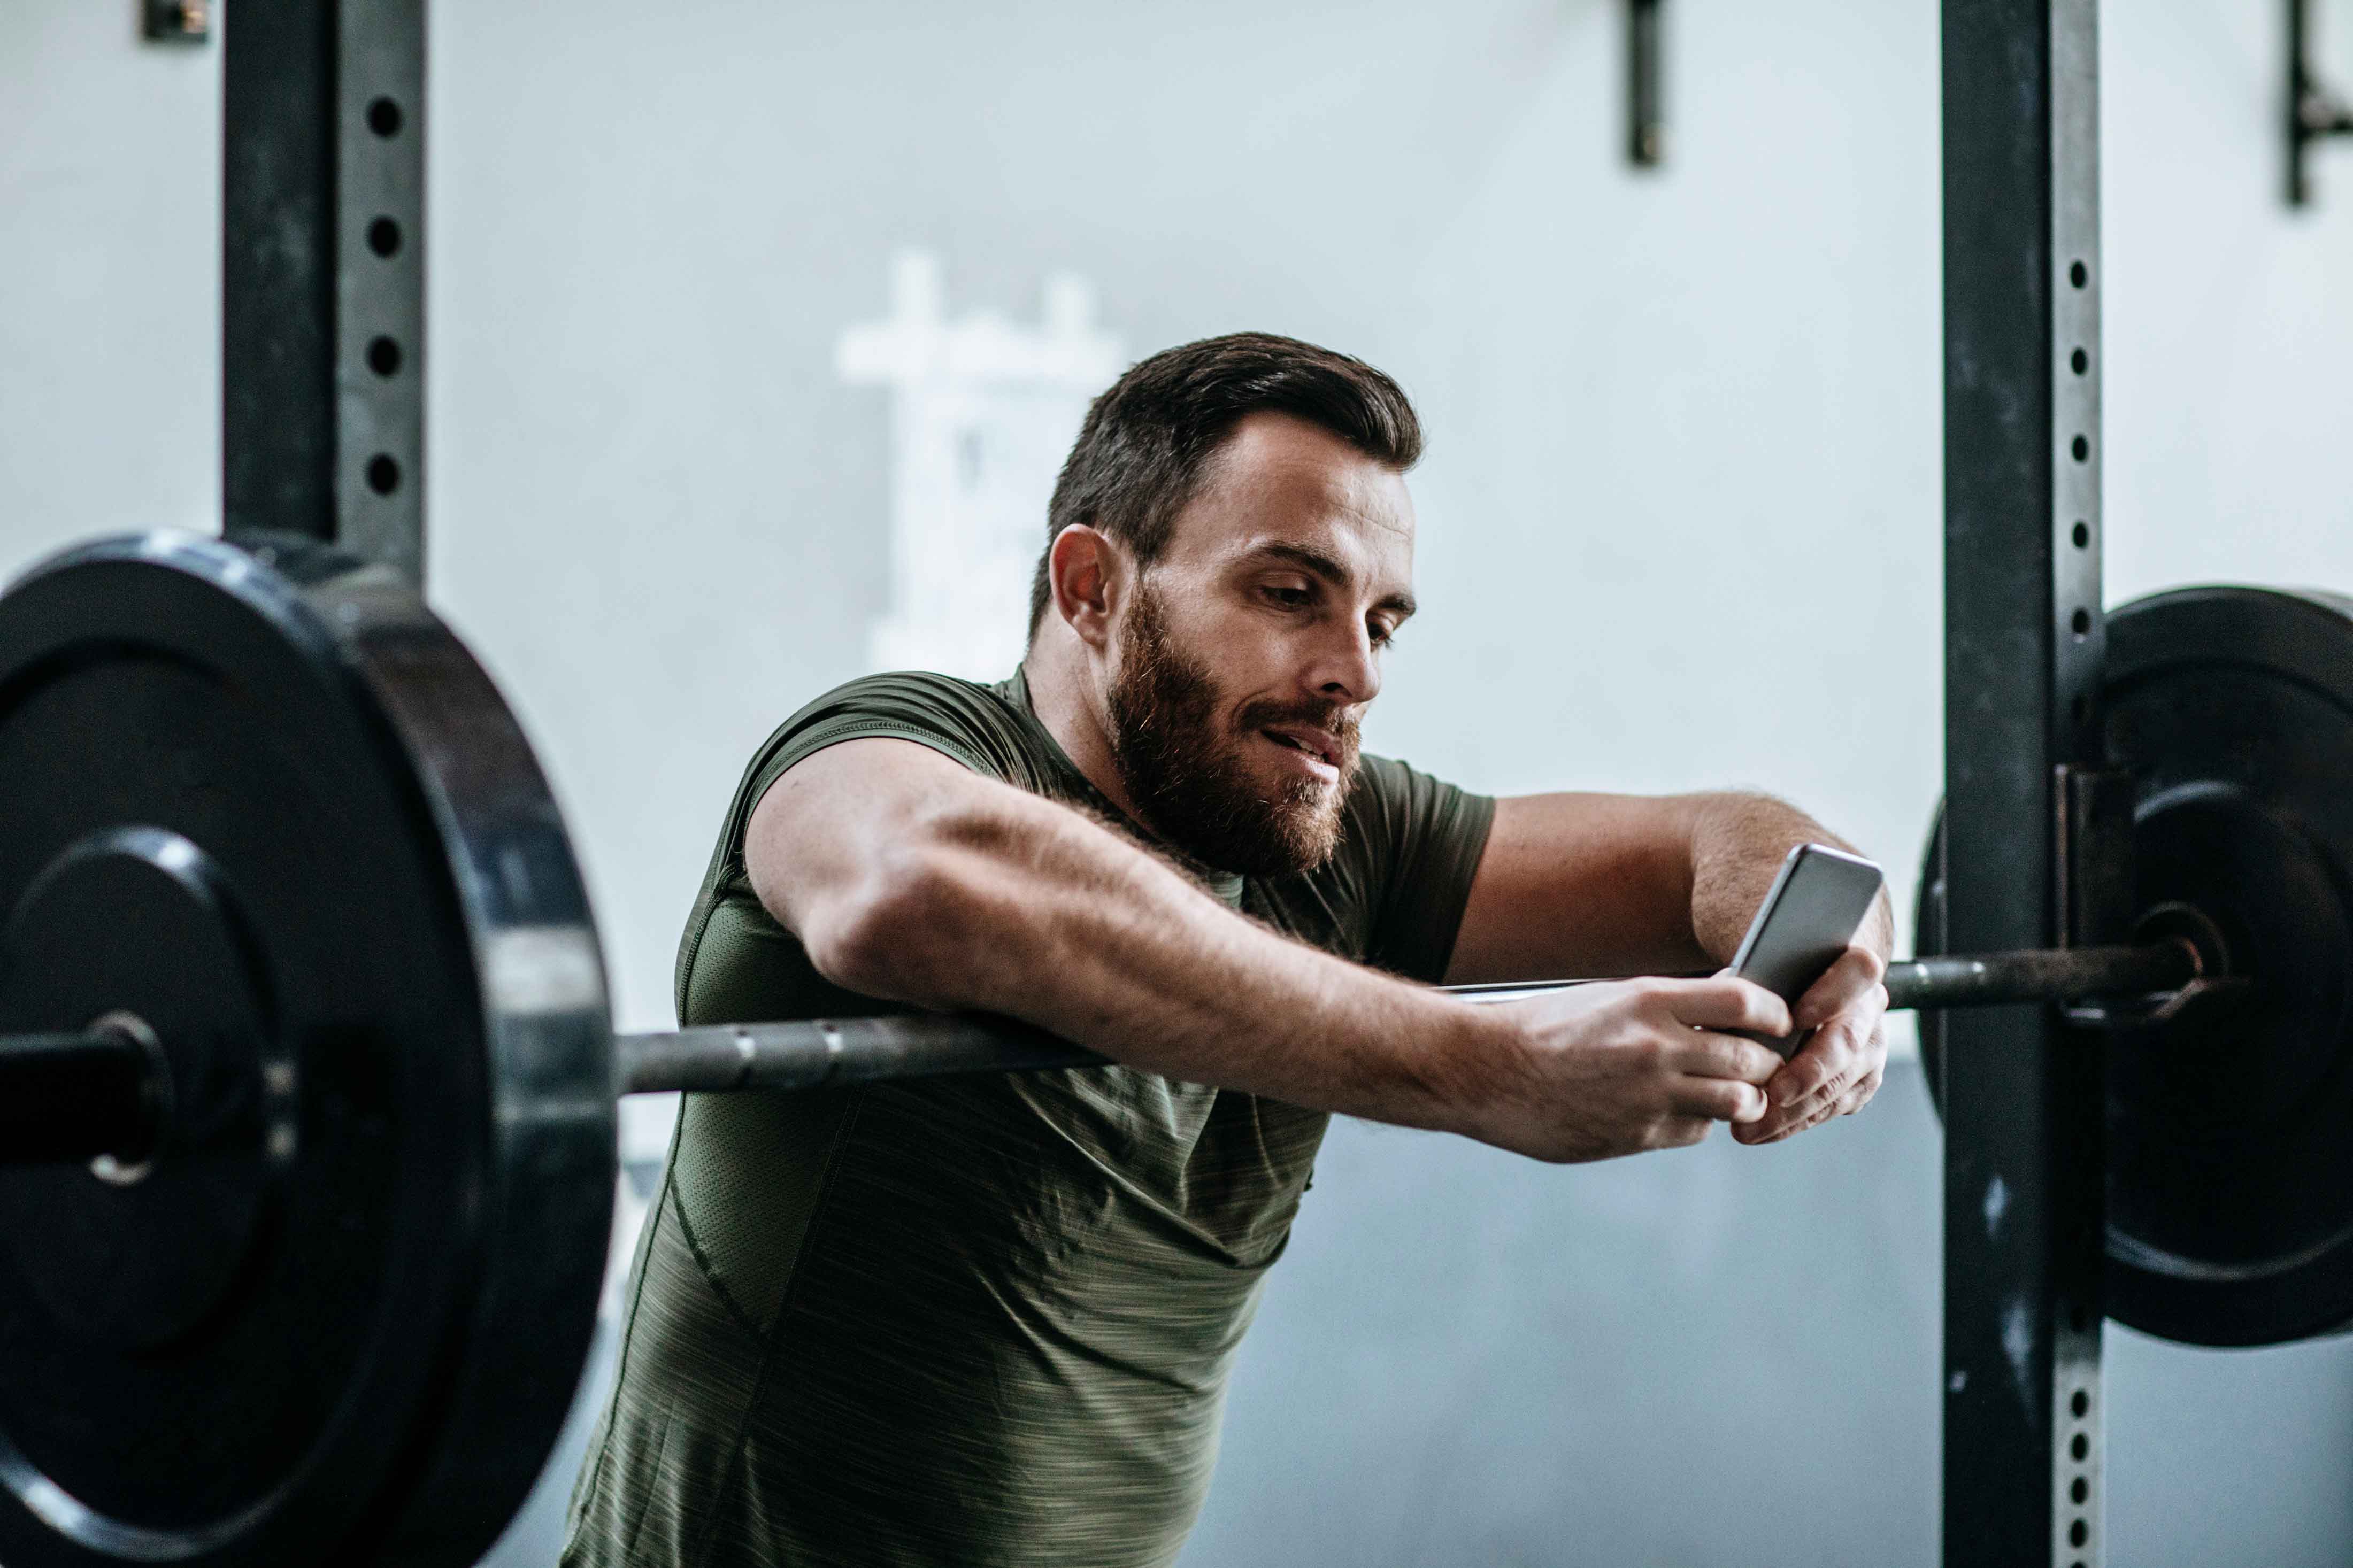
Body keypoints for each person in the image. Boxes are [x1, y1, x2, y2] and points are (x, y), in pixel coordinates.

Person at [563, 333, 1891, 1568]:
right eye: (1288, 592)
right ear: (1093, 588)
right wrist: (1485, 1067)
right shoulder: (898, 744)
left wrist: (1850, 962)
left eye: (1379, 620)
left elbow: (1725, 844)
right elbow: (905, 886)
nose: (1352, 673)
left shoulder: (1331, 841)